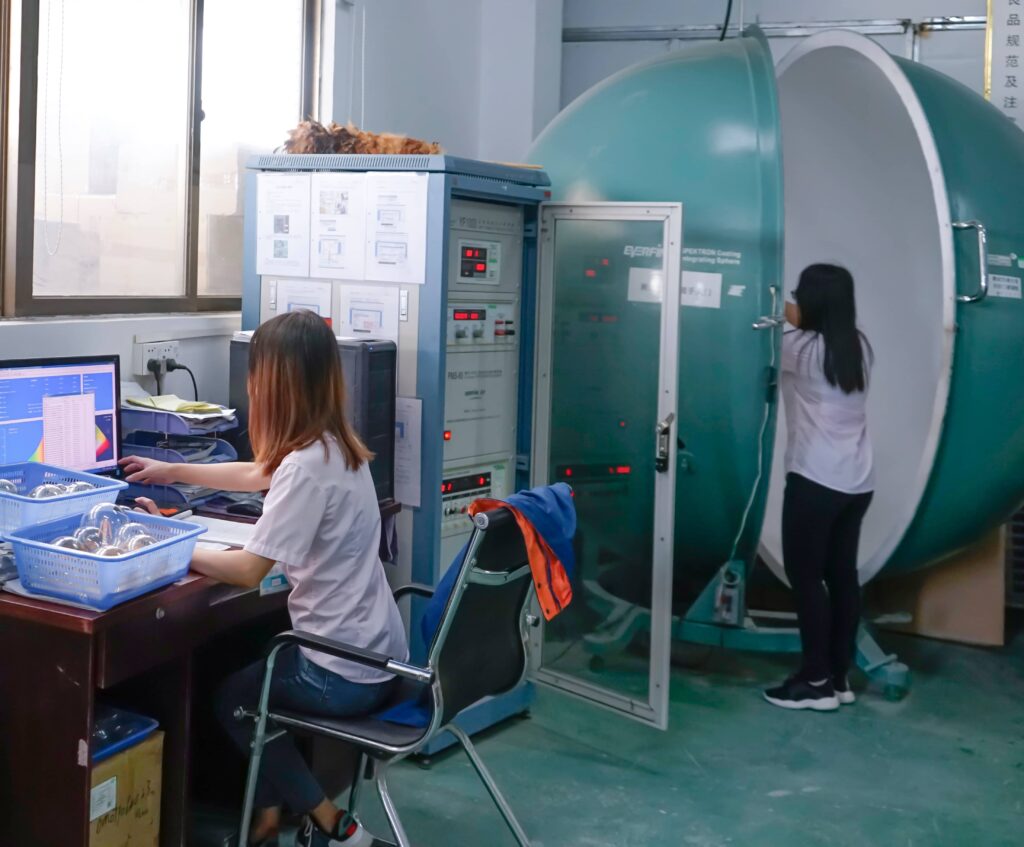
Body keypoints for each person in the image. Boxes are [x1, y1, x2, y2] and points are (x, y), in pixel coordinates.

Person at [123, 310, 405, 846]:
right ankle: (269, 818)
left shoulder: (304, 468)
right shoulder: (336, 446)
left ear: (273, 382)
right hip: (377, 652)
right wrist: (173, 470)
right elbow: (257, 474)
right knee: (254, 661)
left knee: (234, 698)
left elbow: (250, 568)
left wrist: (169, 541)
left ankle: (330, 820)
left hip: (338, 673)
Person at [763, 263, 874, 712]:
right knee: (842, 577)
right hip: (857, 482)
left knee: (806, 579)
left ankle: (815, 681)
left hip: (815, 481)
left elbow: (773, 317)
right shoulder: (858, 346)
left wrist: (763, 290)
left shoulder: (799, 349)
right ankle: (840, 676)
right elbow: (800, 316)